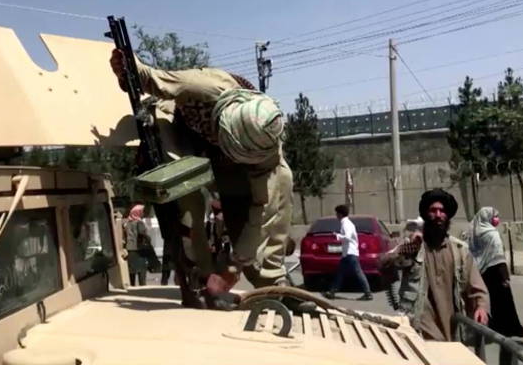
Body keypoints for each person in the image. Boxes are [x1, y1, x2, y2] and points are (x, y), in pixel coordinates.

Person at [110, 50, 293, 295]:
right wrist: (128, 66)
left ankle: (273, 287)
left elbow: (262, 216)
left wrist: (233, 266)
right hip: (182, 129)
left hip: (229, 166)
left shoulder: (267, 147)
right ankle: (198, 275)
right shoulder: (206, 87)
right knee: (187, 200)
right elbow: (156, 79)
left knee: (259, 210)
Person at [383, 188, 489, 342]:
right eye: (433, 210)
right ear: (426, 214)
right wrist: (407, 249)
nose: (438, 215)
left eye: (442, 211)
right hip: (418, 329)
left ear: (448, 216)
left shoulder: (460, 251)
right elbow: (384, 264)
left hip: (452, 331)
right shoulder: (414, 245)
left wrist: (481, 307)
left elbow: (477, 288)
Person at [468, 207, 523, 338]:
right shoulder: (492, 234)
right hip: (497, 272)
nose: (496, 219)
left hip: (482, 271)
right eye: (494, 216)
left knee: (493, 300)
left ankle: (495, 325)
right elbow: (498, 256)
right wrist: (505, 277)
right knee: (504, 301)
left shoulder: (475, 232)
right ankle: (510, 328)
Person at [324, 204, 372, 300]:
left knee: (358, 272)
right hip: (347, 253)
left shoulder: (346, 224)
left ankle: (368, 293)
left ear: (340, 214)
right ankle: (332, 292)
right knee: (340, 273)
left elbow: (347, 237)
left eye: (337, 213)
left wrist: (337, 236)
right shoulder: (345, 223)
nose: (336, 215)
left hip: (350, 253)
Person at [123, 204, 149, 286]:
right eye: (142, 212)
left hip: (130, 249)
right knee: (142, 270)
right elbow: (142, 234)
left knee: (132, 271)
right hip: (139, 249)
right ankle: (142, 287)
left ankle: (132, 286)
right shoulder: (139, 223)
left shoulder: (127, 223)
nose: (143, 213)